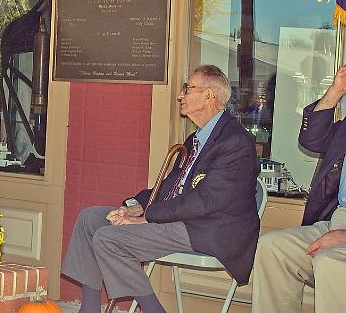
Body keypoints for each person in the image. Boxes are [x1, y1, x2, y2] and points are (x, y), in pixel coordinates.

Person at [61, 65, 259, 313]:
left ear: (209, 96)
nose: (181, 95)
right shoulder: (196, 139)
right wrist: (133, 207)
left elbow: (205, 201)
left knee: (110, 239)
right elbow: (169, 185)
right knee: (90, 219)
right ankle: (89, 309)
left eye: (188, 88)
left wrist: (147, 218)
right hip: (183, 219)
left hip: (210, 228)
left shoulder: (235, 142)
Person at [252, 65, 346, 313]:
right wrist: (335, 92)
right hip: (336, 220)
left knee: (330, 262)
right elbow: (311, 140)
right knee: (273, 248)